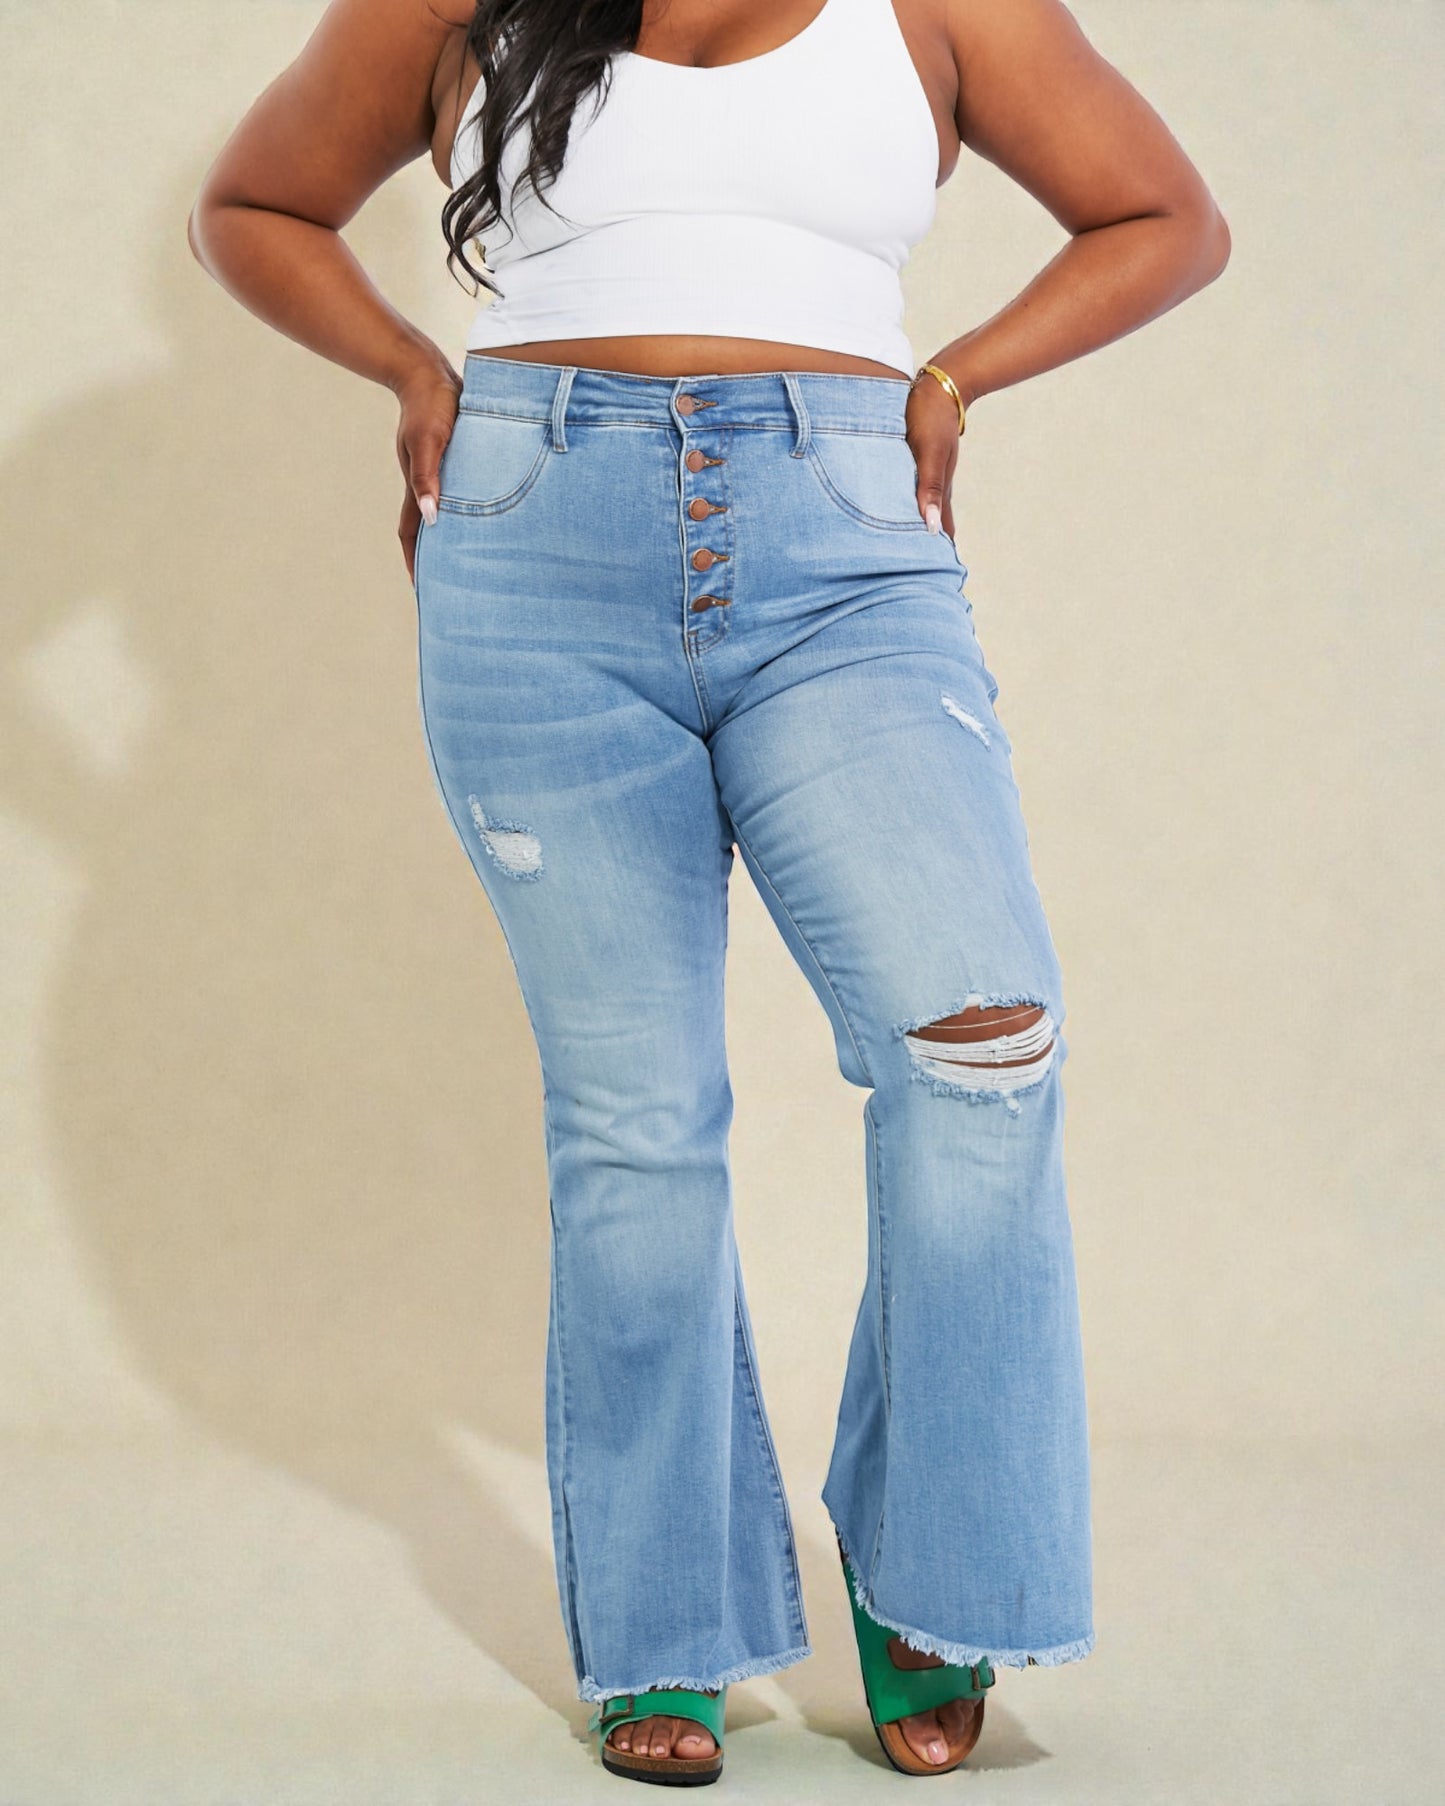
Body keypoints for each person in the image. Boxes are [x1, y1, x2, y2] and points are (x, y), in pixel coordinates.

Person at [189, 0, 1229, 1784]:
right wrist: (416, 374)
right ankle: (661, 1627)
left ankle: (926, 1568)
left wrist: (955, 376)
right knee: (638, 1121)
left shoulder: (935, 5)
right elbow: (256, 203)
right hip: (537, 553)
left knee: (980, 1043)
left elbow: (1163, 215)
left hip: (842, 550)